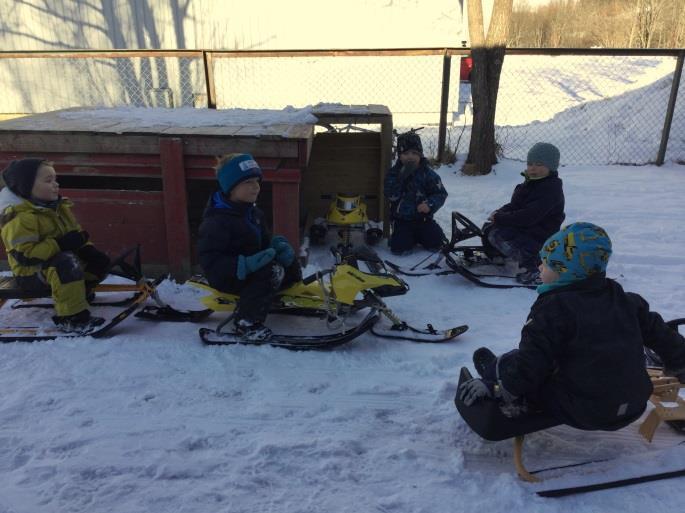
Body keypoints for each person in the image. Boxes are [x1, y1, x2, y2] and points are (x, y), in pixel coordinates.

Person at [458, 222, 685, 432]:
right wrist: (680, 364)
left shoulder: (552, 311)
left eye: (546, 263)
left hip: (585, 411)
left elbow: (531, 363)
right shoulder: (627, 301)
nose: (539, 266)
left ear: (566, 270)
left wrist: (499, 387)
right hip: (635, 404)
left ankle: (496, 377)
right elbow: (663, 336)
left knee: (513, 361)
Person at [197, 153, 302, 342]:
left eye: (257, 180)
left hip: (254, 272)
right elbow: (210, 261)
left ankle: (286, 293)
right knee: (271, 271)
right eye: (248, 182)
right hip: (228, 277)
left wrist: (278, 250)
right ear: (230, 187)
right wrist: (244, 265)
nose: (256, 186)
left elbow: (263, 243)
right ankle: (246, 322)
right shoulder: (216, 221)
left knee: (283, 263)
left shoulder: (253, 213)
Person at [0, 158, 111, 333]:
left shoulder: (58, 207)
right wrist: (60, 244)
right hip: (30, 275)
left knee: (98, 262)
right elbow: (25, 255)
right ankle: (72, 317)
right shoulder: (20, 217)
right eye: (48, 181)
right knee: (66, 263)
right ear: (27, 186)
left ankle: (76, 294)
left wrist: (85, 247)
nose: (55, 185)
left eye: (55, 179)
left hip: (54, 264)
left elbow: (74, 231)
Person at [483, 142, 565, 284]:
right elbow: (515, 205)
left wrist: (501, 218)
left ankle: (534, 266)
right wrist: (499, 213)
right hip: (526, 230)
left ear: (551, 167)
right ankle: (500, 257)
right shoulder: (529, 184)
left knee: (498, 234)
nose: (533, 168)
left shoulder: (551, 189)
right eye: (530, 164)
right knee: (489, 227)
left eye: (539, 164)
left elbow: (529, 216)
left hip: (540, 237)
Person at [384, 130, 448, 255]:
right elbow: (390, 194)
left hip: (423, 220)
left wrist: (429, 204)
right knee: (399, 248)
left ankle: (423, 237)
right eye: (406, 153)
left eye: (414, 153)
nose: (410, 156)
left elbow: (440, 193)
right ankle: (405, 238)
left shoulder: (427, 174)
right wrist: (401, 178)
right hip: (402, 220)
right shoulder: (394, 174)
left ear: (420, 155)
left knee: (436, 242)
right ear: (399, 155)